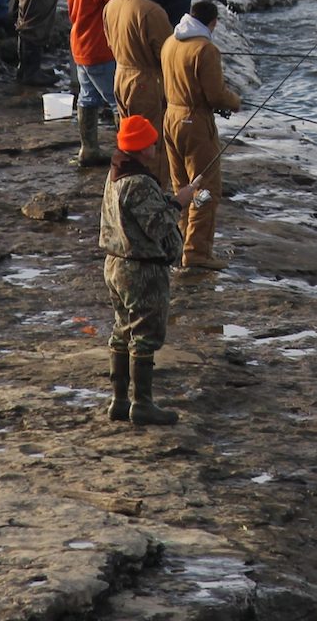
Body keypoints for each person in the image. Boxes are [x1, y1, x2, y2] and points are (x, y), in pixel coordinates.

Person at [98, 114, 200, 426]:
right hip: (140, 270)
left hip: (115, 264)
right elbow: (158, 226)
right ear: (142, 149)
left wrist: (166, 201)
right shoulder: (138, 182)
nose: (156, 148)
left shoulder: (116, 173)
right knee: (144, 337)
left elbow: (137, 216)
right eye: (152, 144)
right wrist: (180, 202)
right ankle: (142, 405)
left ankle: (119, 401)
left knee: (121, 330)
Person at [161, 0, 241, 271]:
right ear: (213, 23)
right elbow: (215, 95)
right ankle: (197, 253)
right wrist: (234, 102)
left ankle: (182, 244)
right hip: (195, 124)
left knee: (181, 186)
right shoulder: (206, 49)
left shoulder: (170, 42)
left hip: (170, 118)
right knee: (205, 189)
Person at [103, 0, 173, 183]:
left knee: (128, 138)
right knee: (151, 143)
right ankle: (152, 190)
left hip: (120, 76)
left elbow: (110, 41)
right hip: (146, 82)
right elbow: (167, 55)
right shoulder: (152, 11)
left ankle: (125, 182)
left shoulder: (112, 5)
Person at [65, 0, 125, 166]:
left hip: (80, 45)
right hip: (102, 47)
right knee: (119, 101)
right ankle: (128, 153)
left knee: (88, 97)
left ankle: (88, 149)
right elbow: (124, 7)